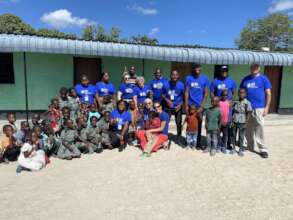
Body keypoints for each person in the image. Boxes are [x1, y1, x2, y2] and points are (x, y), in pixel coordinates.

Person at [240, 63, 272, 158]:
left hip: (259, 107)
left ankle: (262, 149)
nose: (254, 69)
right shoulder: (245, 79)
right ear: (250, 68)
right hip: (247, 107)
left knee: (259, 127)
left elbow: (269, 94)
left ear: (259, 68)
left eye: (256, 67)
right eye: (253, 67)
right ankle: (246, 145)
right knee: (247, 126)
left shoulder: (263, 79)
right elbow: (241, 92)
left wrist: (267, 107)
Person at [185, 64, 209, 149]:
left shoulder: (205, 79)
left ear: (200, 69)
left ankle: (197, 143)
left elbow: (206, 93)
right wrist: (186, 105)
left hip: (199, 106)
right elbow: (187, 92)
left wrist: (202, 106)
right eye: (195, 69)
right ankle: (188, 141)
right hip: (190, 106)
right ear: (193, 69)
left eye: (198, 69)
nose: (197, 70)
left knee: (198, 124)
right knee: (189, 123)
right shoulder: (188, 78)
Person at [162, 70, 185, 145]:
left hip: (177, 107)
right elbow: (162, 94)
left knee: (178, 123)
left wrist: (180, 105)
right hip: (167, 107)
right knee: (165, 123)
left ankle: (178, 139)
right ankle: (164, 138)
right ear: (170, 76)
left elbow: (184, 96)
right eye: (173, 75)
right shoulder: (165, 84)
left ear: (178, 76)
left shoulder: (181, 85)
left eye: (176, 75)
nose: (174, 76)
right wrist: (167, 100)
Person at [231, 88, 252, 157]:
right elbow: (232, 111)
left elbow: (248, 113)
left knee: (241, 136)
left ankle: (240, 149)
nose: (241, 94)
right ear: (238, 94)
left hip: (242, 121)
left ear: (245, 94)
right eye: (240, 93)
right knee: (233, 135)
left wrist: (246, 123)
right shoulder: (235, 102)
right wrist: (231, 120)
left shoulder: (247, 103)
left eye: (243, 93)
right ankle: (233, 148)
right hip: (235, 119)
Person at [218, 90, 231, 154]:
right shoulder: (218, 103)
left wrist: (228, 121)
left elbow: (230, 113)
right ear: (221, 95)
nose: (224, 96)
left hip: (226, 122)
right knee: (217, 134)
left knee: (225, 135)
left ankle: (223, 147)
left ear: (227, 96)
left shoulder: (229, 103)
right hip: (219, 122)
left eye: (226, 95)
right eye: (223, 95)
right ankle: (218, 145)